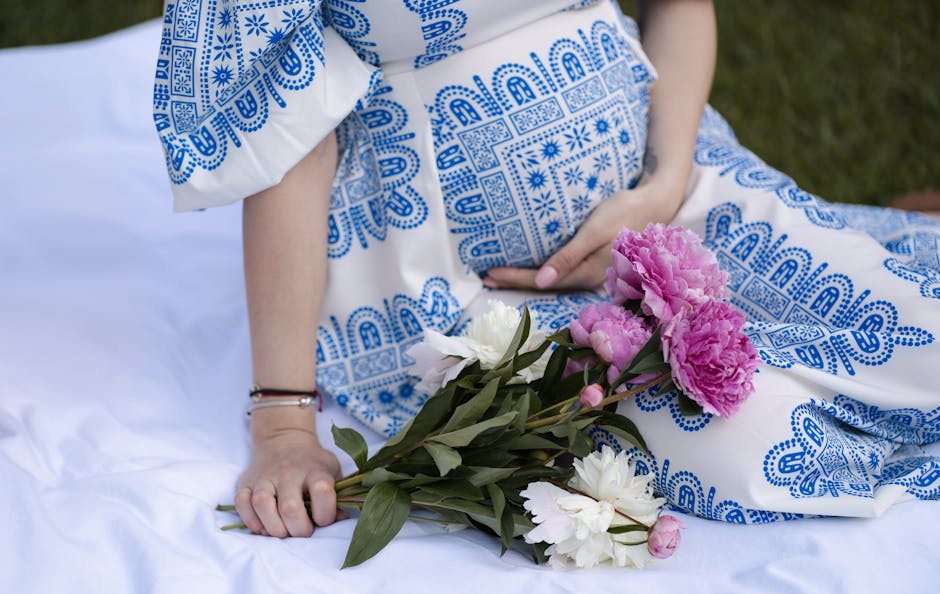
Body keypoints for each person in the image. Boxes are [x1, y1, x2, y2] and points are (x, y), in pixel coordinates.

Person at [152, 0, 940, 538]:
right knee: (774, 452)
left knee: (926, 337)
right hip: (458, 294)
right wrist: (283, 419)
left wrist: (663, 184)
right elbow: (285, 131)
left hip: (667, 189)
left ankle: (888, 241)